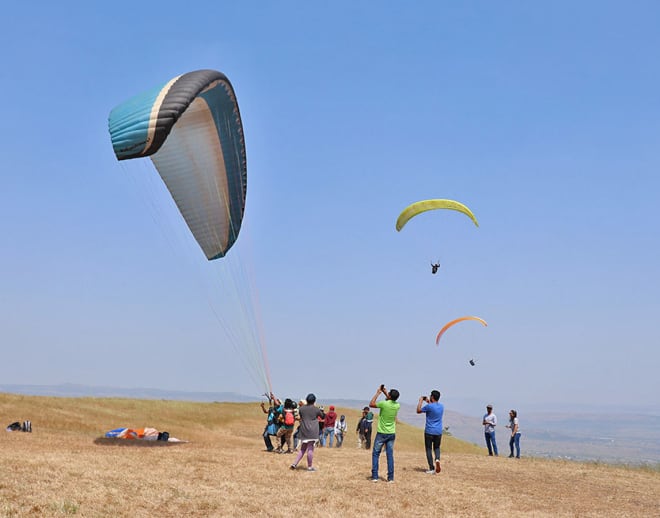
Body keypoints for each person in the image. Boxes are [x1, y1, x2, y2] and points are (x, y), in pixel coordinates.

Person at [369, 385, 401, 483]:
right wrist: (386, 392)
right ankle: (390, 478)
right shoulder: (397, 405)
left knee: (376, 454)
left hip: (381, 433)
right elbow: (391, 400)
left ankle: (375, 476)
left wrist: (378, 393)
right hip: (391, 433)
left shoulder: (384, 404)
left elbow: (371, 404)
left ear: (390, 396)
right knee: (389, 455)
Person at [290, 393, 325, 471]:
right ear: (314, 401)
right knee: (310, 449)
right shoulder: (316, 409)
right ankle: (309, 466)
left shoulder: (301, 409)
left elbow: (301, 416)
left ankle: (294, 463)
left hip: (304, 430)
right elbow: (322, 415)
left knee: (302, 449)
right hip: (313, 431)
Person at [416, 390, 444, 474]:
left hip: (429, 431)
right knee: (437, 447)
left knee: (428, 449)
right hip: (438, 431)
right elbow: (432, 407)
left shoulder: (429, 407)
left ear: (432, 397)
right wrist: (428, 401)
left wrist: (421, 401)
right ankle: (437, 459)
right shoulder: (441, 406)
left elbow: (418, 410)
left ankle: (432, 468)